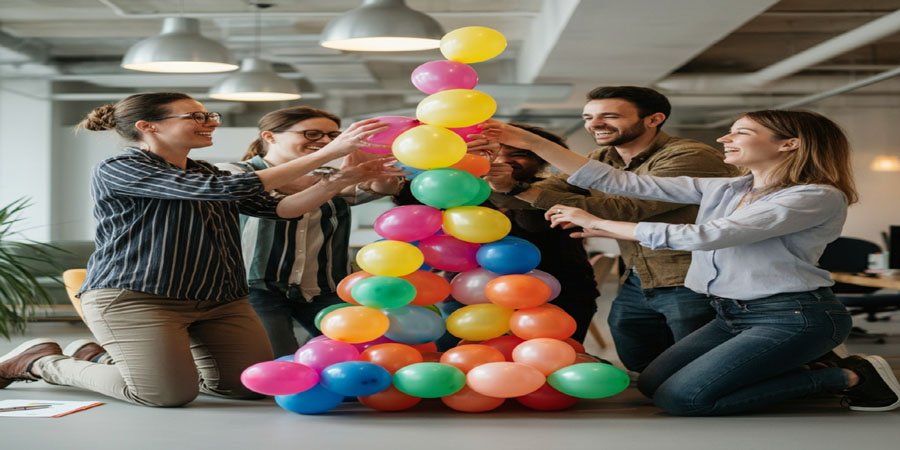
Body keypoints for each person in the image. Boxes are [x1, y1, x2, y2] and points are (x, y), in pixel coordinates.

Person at [483, 109, 900, 415]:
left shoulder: (814, 196)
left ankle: (851, 376)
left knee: (685, 399)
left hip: (793, 315)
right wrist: (531, 141)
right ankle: (803, 365)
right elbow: (619, 180)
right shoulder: (728, 188)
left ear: (788, 144)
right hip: (731, 315)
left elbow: (708, 235)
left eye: (741, 132)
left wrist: (600, 224)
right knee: (651, 383)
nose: (723, 139)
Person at [0, 92, 400, 406]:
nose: (209, 122)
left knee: (247, 387)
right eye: (196, 116)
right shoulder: (121, 166)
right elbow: (222, 190)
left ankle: (102, 358)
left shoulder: (205, 170)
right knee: (164, 395)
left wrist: (340, 178)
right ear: (148, 126)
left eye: (210, 115)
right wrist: (331, 153)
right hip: (138, 297)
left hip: (220, 299)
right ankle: (41, 363)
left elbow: (279, 208)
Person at [485, 86, 736, 371]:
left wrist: (520, 187)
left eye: (610, 115)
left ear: (654, 119)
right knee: (639, 358)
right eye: (588, 117)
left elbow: (629, 208)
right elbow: (548, 190)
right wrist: (504, 184)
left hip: (690, 276)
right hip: (639, 274)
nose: (595, 124)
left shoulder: (689, 155)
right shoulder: (604, 157)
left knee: (699, 366)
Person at [216, 106, 404, 357]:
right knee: (276, 362)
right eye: (312, 134)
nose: (325, 141)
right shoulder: (234, 172)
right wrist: (337, 174)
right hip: (256, 287)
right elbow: (274, 198)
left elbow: (377, 188)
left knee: (362, 358)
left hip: (325, 287)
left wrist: (381, 171)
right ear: (269, 137)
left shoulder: (334, 176)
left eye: (332, 136)